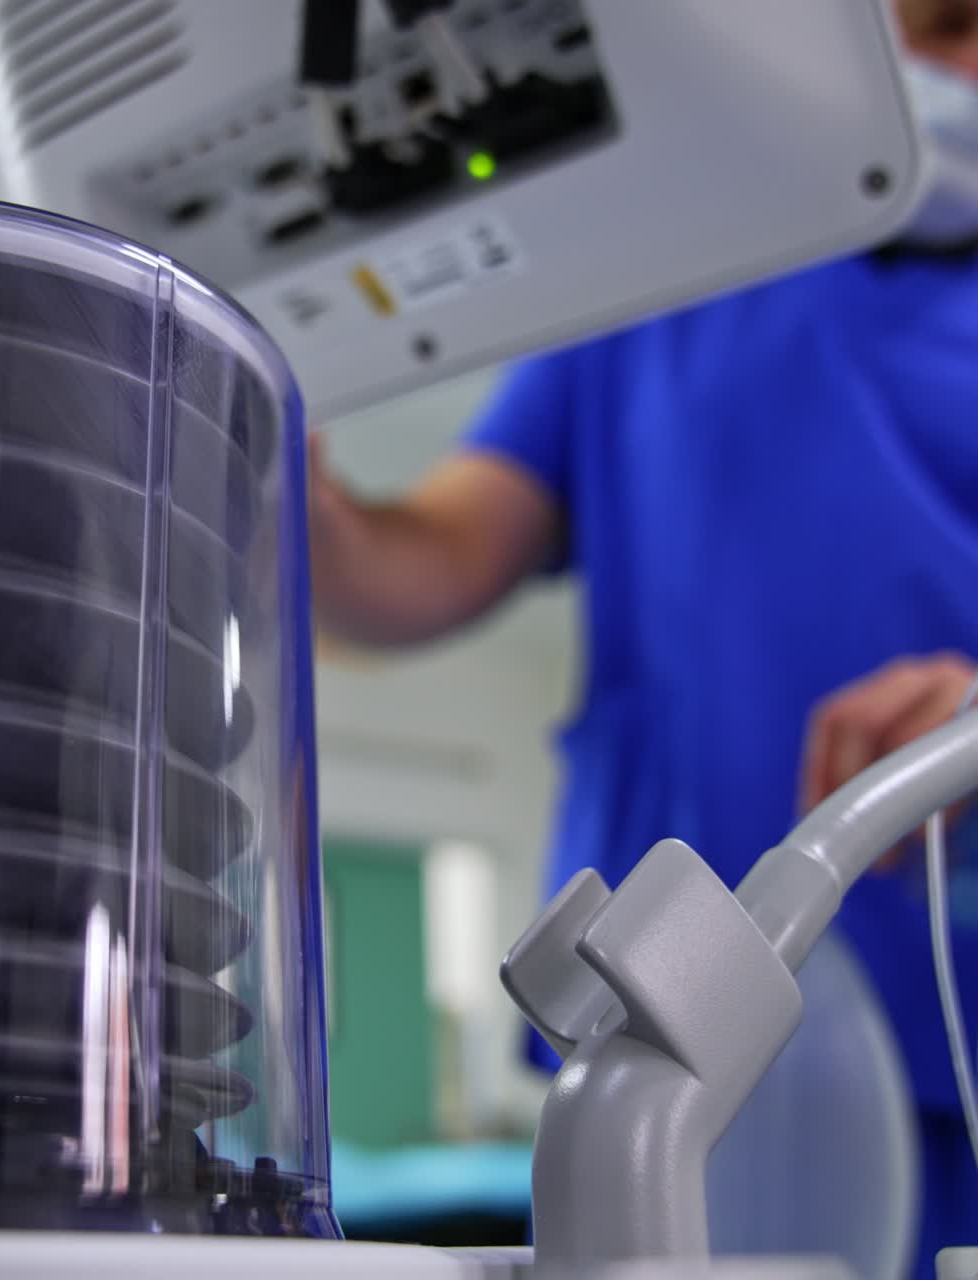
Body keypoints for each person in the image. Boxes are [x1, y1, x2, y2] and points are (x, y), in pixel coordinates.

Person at [308, 3, 978, 1274]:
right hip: (659, 1042)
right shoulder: (669, 281)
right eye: (933, 30)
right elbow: (428, 561)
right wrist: (299, 503)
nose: (953, 71)